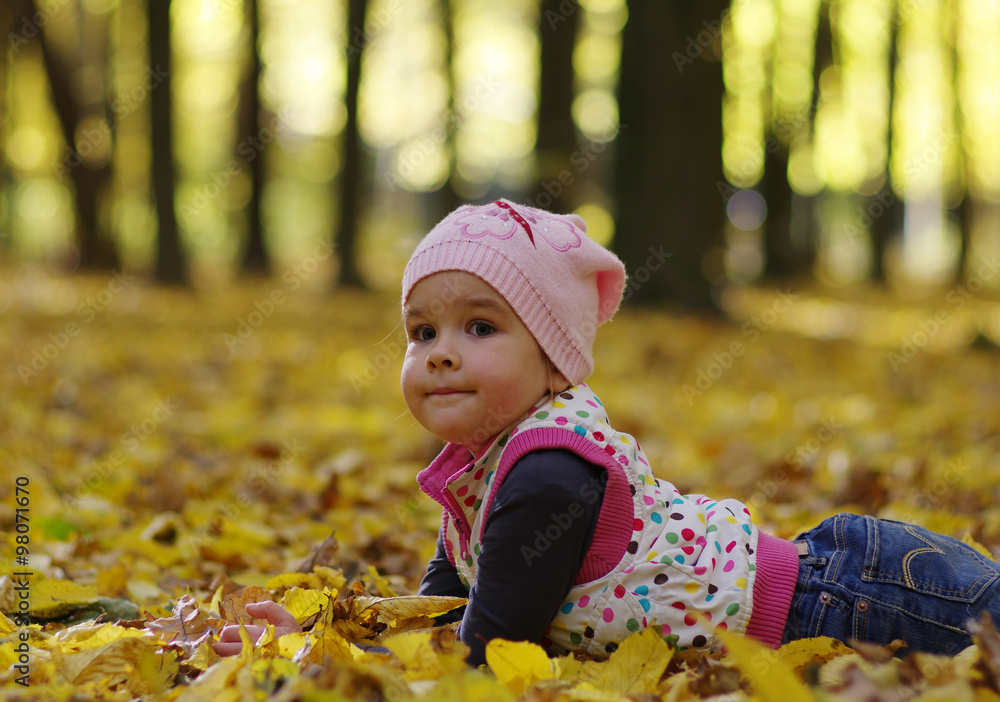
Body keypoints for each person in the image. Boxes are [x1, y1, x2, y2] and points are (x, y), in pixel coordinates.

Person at [216, 199, 1000, 666]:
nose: (441, 351)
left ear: (555, 360)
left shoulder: (546, 474)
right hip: (841, 580)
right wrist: (317, 639)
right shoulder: (485, 468)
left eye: (480, 326)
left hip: (857, 600)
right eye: (422, 332)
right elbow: (444, 611)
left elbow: (485, 656)